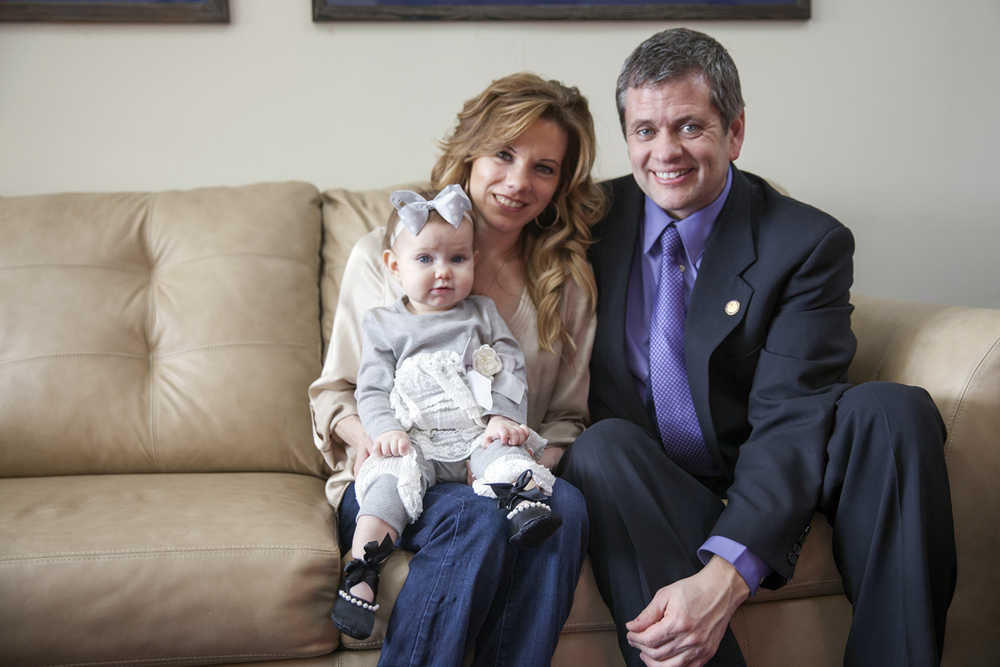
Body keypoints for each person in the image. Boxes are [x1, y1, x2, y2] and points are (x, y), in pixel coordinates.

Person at [560, 28, 957, 667]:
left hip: (773, 469)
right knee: (600, 447)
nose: (665, 152)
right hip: (648, 481)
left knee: (893, 412)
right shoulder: (584, 223)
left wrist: (728, 572)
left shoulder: (806, 243)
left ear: (735, 131)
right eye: (644, 131)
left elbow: (793, 414)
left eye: (690, 127)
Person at [309, 72, 607, 666]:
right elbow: (335, 393)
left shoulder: (565, 281)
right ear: (470, 150)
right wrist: (380, 443)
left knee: (563, 507)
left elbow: (570, 416)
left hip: (497, 465)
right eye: (503, 154)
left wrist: (510, 457)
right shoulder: (386, 255)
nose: (519, 182)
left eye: (544, 168)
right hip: (394, 475)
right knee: (475, 515)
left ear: (560, 184)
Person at [332, 184, 563, 640]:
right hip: (413, 440)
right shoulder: (384, 323)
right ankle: (362, 569)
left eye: (458, 259)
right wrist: (384, 431)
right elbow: (371, 389)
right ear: (394, 267)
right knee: (387, 483)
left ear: (474, 261)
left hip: (470, 433)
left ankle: (520, 503)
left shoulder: (481, 312)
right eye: (425, 260)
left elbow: (509, 363)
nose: (443, 272)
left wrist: (502, 416)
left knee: (501, 452)